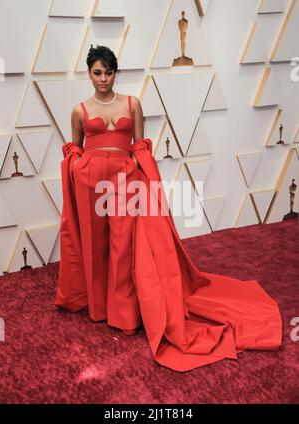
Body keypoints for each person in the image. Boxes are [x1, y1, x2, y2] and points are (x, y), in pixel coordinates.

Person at [55, 45, 282, 372]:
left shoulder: (132, 104)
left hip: (124, 181)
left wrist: (140, 177)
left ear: (116, 73)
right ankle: (98, 306)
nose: (103, 79)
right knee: (96, 245)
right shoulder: (79, 110)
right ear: (89, 74)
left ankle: (124, 313)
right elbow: (74, 146)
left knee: (123, 247)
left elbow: (140, 147)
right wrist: (76, 168)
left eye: (108, 72)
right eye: (97, 72)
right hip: (90, 183)